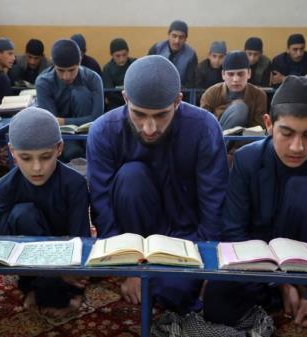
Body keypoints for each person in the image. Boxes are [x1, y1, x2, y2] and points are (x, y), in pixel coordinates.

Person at [203, 76, 307, 333]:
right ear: (269, 124)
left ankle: (305, 291)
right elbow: (234, 230)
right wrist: (280, 283)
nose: (297, 147)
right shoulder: (247, 159)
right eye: (287, 132)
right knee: (216, 304)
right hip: (258, 263)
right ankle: (285, 293)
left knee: (301, 188)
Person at [87, 55, 228, 314]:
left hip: (187, 235)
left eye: (161, 115)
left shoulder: (205, 127)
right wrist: (125, 267)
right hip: (135, 232)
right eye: (139, 115)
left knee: (172, 292)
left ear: (178, 101)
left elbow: (214, 201)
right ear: (126, 98)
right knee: (131, 176)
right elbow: (102, 206)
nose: (149, 128)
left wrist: (209, 264)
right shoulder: (104, 131)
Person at [0, 107, 90, 318]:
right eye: (26, 158)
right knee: (22, 215)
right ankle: (33, 288)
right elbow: (5, 243)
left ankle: (71, 294)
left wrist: (68, 274)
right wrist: (54, 275)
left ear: (59, 148)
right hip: (30, 263)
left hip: (68, 260)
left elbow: (80, 237)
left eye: (45, 157)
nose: (37, 168)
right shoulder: (4, 188)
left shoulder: (74, 184)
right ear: (12, 152)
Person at [35, 39, 103, 162]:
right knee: (74, 153)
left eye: (72, 70)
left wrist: (63, 121)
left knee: (81, 94)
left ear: (80, 62)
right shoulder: (43, 82)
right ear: (53, 64)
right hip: (61, 137)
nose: (66, 76)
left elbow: (97, 119)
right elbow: (51, 123)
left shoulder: (93, 79)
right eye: (60, 70)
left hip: (90, 134)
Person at [200, 51, 267, 130]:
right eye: (230, 74)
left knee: (240, 108)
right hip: (214, 137)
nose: (235, 79)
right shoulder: (210, 93)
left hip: (245, 140)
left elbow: (259, 128)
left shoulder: (259, 95)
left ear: (249, 73)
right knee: (240, 108)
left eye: (240, 74)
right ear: (223, 75)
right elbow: (204, 124)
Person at [148, 20, 198, 88]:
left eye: (181, 37)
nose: (177, 41)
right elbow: (148, 73)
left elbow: (190, 83)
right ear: (168, 35)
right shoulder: (156, 49)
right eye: (174, 36)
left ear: (186, 38)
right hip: (156, 90)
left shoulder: (191, 55)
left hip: (180, 93)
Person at [102, 38, 136, 111]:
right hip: (116, 105)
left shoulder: (135, 64)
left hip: (135, 101)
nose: (122, 59)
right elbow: (109, 93)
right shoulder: (107, 69)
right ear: (112, 55)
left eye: (124, 55)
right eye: (118, 56)